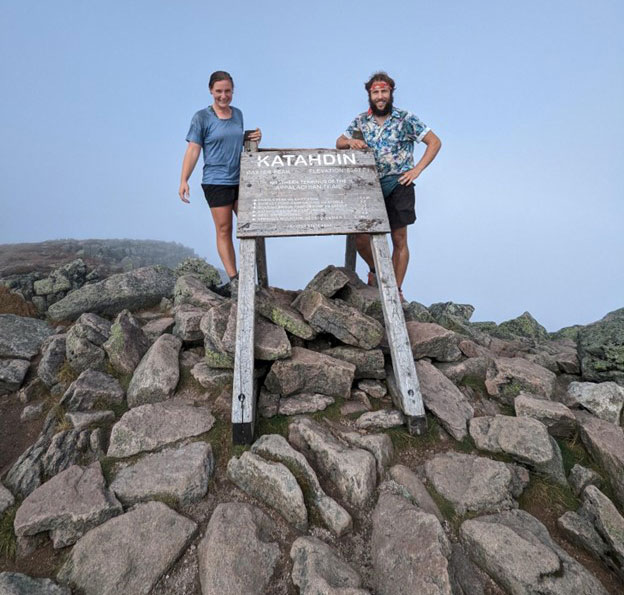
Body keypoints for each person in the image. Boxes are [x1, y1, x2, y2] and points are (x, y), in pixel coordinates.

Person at [336, 72, 441, 302]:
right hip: (370, 185)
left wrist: (418, 169)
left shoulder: (406, 119)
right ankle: (378, 272)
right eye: (376, 92)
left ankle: (395, 290)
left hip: (399, 183)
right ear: (369, 95)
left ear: (391, 92)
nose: (380, 96)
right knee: (360, 237)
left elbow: (434, 142)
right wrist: (350, 141)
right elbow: (339, 142)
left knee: (399, 239)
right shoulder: (361, 121)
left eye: (384, 91)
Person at [178, 71, 261, 284]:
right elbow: (193, 149)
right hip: (216, 181)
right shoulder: (202, 117)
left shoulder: (238, 114)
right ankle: (235, 279)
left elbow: (231, 139)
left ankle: (254, 275)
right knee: (225, 229)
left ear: (233, 91)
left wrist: (250, 137)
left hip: (241, 179)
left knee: (251, 224)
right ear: (210, 91)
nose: (223, 96)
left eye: (227, 91)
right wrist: (184, 179)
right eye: (218, 91)